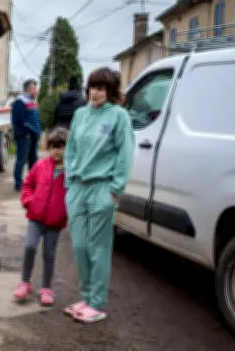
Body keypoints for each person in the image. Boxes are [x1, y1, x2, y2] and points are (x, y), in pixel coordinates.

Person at [63, 67, 135, 324]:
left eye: (102, 88)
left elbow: (125, 155)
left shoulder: (119, 116)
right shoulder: (80, 114)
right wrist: (70, 181)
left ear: (111, 91)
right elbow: (70, 150)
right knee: (80, 246)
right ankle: (86, 297)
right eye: (93, 87)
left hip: (102, 188)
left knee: (99, 248)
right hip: (78, 189)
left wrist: (114, 189)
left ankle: (97, 303)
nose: (96, 92)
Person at [13, 128, 69, 307]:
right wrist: (29, 201)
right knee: (29, 247)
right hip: (36, 218)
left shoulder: (71, 171)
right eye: (52, 146)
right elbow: (27, 184)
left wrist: (66, 212)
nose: (56, 150)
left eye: (61, 147)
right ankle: (25, 282)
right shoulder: (40, 165)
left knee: (49, 254)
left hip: (54, 222)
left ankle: (46, 288)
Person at [11, 79, 42, 191]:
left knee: (33, 160)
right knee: (21, 160)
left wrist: (38, 131)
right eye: (34, 88)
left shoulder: (33, 101)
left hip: (34, 135)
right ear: (27, 89)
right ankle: (18, 184)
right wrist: (25, 133)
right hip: (25, 136)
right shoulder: (20, 102)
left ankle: (33, 182)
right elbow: (17, 120)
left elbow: (36, 119)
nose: (36, 91)